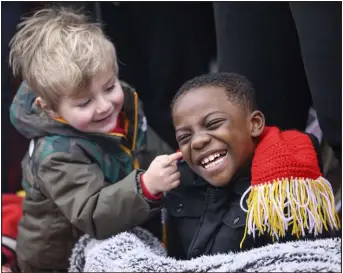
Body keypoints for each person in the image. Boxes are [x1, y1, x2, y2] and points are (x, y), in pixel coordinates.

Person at [8, 7, 181, 272]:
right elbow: (92, 213)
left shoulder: (123, 106)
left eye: (110, 86)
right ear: (50, 109)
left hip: (121, 228)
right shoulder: (55, 155)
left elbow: (147, 149)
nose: (104, 106)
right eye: (85, 102)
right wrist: (146, 186)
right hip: (59, 261)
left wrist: (178, 166)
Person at [165, 72, 340, 260]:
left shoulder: (288, 189)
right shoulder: (178, 181)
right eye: (184, 137)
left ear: (254, 124)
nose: (197, 141)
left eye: (214, 123)